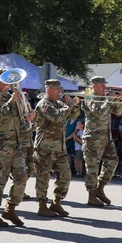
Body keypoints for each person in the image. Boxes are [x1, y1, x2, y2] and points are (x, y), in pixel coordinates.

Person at [0, 67, 36, 226]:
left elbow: (21, 122)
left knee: (22, 177)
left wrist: (29, 117)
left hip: (16, 144)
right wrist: (10, 101)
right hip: (0, 145)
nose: (8, 82)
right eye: (3, 78)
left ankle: (10, 209)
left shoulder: (14, 96)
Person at [33, 79, 81, 217]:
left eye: (60, 89)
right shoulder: (44, 104)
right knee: (43, 177)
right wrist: (69, 105)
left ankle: (56, 202)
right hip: (44, 148)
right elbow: (57, 117)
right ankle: (42, 206)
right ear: (49, 90)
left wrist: (75, 105)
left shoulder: (59, 104)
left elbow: (73, 115)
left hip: (59, 148)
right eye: (57, 89)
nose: (60, 92)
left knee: (65, 175)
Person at [81, 76, 122, 207]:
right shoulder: (88, 97)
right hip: (92, 138)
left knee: (112, 161)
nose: (105, 87)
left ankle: (100, 188)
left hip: (106, 137)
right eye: (102, 85)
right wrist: (108, 101)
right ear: (94, 85)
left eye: (104, 84)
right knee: (92, 168)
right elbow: (98, 113)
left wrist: (116, 100)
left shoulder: (105, 98)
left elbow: (118, 112)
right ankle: (91, 196)